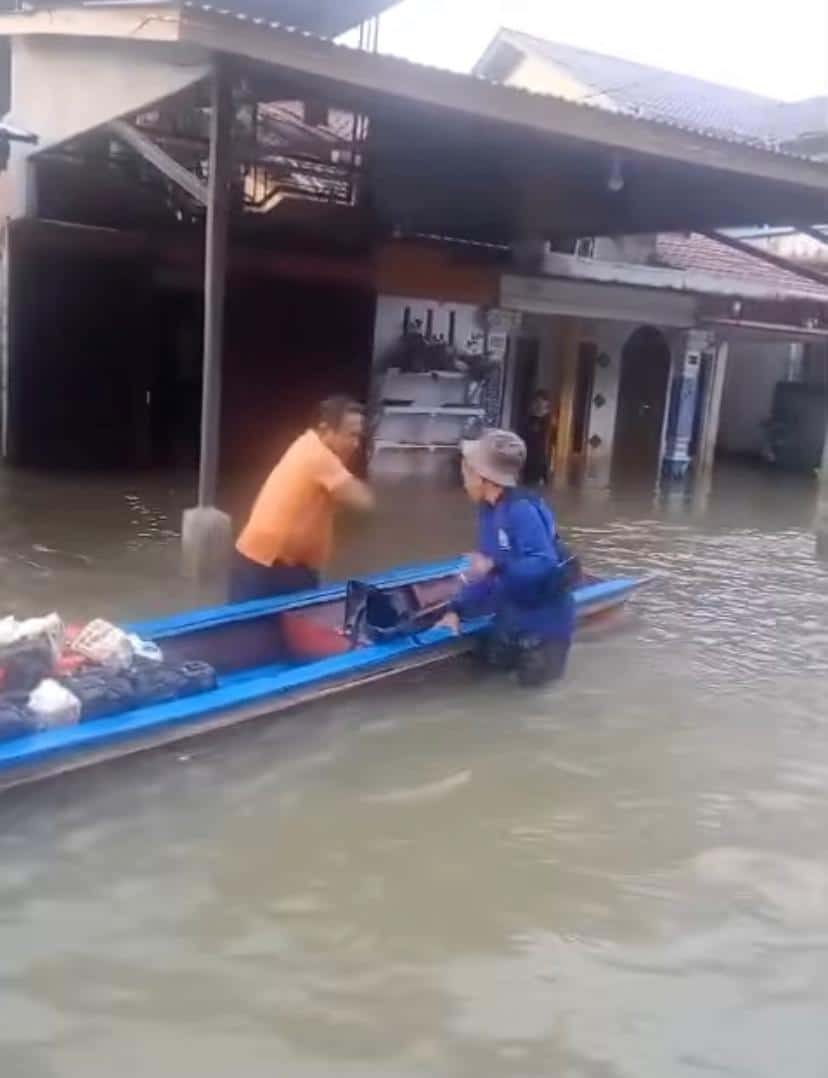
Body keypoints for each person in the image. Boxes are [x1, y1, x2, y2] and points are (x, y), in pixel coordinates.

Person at [439, 429, 576, 688]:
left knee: (533, 696)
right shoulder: (488, 509)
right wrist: (456, 609)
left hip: (545, 624)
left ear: (485, 477)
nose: (464, 480)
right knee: (483, 679)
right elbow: (484, 570)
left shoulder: (521, 510)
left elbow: (543, 562)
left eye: (467, 473)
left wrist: (496, 565)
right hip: (512, 614)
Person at [231, 396, 374, 603]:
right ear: (326, 430)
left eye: (359, 437)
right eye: (350, 436)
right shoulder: (317, 455)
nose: (356, 444)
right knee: (246, 632)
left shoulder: (312, 449)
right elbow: (363, 500)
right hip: (264, 565)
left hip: (293, 567)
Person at [520, 389, 553, 485]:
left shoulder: (545, 418)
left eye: (542, 403)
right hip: (529, 449)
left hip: (538, 450)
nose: (540, 405)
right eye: (537, 402)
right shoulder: (529, 417)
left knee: (538, 459)